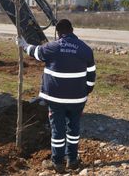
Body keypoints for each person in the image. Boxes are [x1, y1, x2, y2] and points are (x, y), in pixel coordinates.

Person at [17, 19, 96, 173]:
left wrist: (23, 44)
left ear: (58, 33)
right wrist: (85, 91)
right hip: (77, 99)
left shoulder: (52, 47)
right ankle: (72, 160)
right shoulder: (86, 49)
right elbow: (92, 75)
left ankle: (57, 162)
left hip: (55, 100)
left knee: (57, 131)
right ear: (72, 30)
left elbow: (36, 52)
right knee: (73, 129)